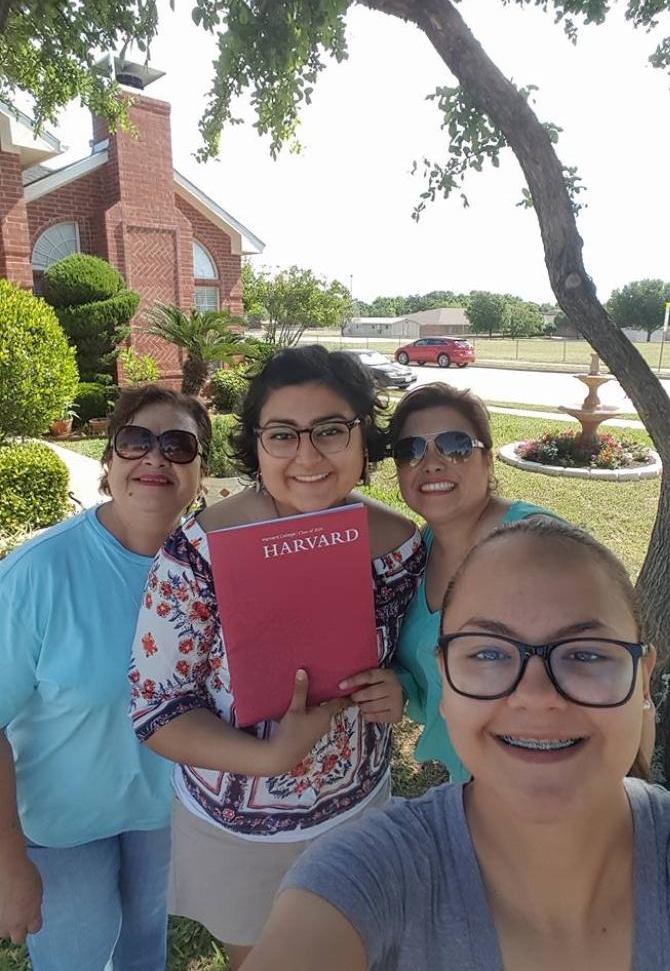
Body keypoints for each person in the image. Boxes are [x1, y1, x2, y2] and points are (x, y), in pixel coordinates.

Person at [245, 517, 670, 971]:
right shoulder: (367, 876)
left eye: (586, 654)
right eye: (487, 652)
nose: (536, 697)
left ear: (643, 680)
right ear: (444, 681)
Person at [128, 346, 424, 968]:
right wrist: (270, 755)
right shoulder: (201, 551)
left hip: (359, 808)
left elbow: (412, 663)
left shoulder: (398, 547)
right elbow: (158, 710)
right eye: (283, 434)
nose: (308, 456)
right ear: (257, 445)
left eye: (331, 431)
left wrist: (395, 687)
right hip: (239, 829)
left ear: (362, 439)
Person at [0, 385, 211, 971]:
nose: (155, 458)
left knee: (145, 952)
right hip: (59, 827)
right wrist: (8, 859)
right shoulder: (36, 574)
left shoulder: (215, 568)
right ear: (109, 461)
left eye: (177, 445)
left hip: (164, 815)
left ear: (202, 472)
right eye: (135, 441)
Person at [389, 382, 556, 781]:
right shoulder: (417, 552)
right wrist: (400, 688)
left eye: (455, 445)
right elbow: (431, 668)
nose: (431, 462)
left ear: (488, 461)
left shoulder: (537, 542)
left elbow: (611, 663)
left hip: (537, 786)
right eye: (410, 450)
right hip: (468, 791)